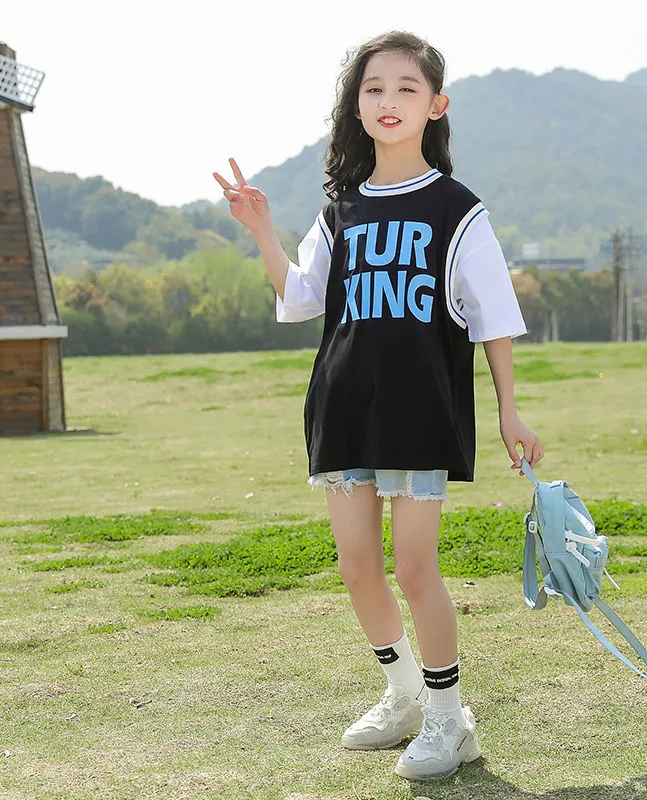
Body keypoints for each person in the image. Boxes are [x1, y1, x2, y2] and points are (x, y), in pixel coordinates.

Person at [213, 30, 544, 782]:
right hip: (344, 407)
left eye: (405, 88)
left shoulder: (458, 210)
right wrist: (261, 229)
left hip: (419, 412)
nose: (388, 100)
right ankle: (403, 696)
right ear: (356, 109)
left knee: (417, 568)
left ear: (436, 106)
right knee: (358, 565)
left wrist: (509, 411)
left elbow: (492, 318)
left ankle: (449, 719)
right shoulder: (341, 209)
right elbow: (300, 296)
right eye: (373, 89)